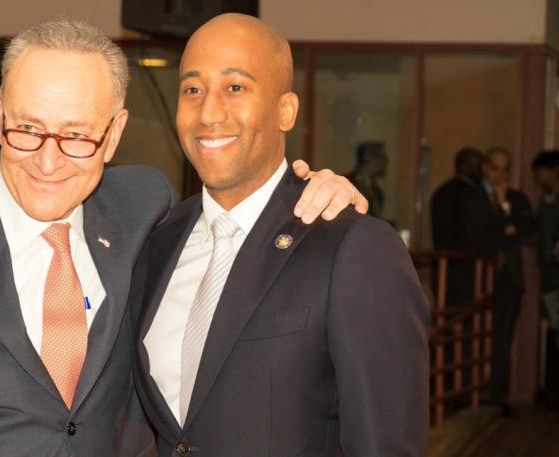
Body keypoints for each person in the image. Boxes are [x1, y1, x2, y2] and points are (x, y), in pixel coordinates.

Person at [0, 19, 364, 457]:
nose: (47, 161)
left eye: (76, 136)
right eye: (27, 129)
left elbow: (238, 209)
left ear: (114, 132)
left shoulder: (142, 207)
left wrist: (310, 191)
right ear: (0, 115)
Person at [134, 13, 429, 457]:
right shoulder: (156, 239)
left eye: (235, 87)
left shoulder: (350, 246)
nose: (209, 112)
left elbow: (386, 443)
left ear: (285, 110)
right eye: (192, 89)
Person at [482, 147, 535, 414]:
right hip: (480, 276)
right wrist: (506, 225)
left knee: (503, 336)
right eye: (493, 167)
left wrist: (504, 208)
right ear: (484, 167)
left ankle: (497, 395)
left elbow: (526, 226)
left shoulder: (516, 198)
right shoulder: (476, 197)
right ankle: (474, 393)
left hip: (508, 278)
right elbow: (487, 231)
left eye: (504, 169)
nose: (498, 174)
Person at [431, 147, 494, 309]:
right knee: (467, 321)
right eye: (479, 165)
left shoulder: (441, 192)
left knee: (448, 321)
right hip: (468, 272)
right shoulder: (473, 194)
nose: (482, 171)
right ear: (465, 166)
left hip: (443, 270)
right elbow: (479, 232)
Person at [532, 150, 559, 409]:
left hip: (556, 279)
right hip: (551, 279)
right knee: (553, 332)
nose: (537, 178)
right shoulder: (547, 199)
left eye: (540, 172)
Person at [347, 141, 387, 218]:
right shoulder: (347, 184)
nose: (385, 162)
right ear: (369, 159)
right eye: (381, 157)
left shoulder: (377, 192)